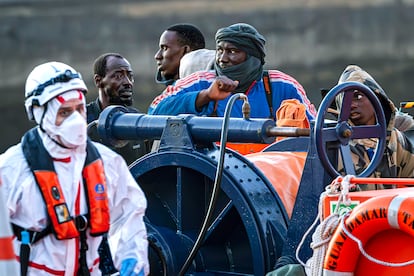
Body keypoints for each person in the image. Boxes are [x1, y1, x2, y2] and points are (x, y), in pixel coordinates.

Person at [0, 61, 149, 275]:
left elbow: (128, 214)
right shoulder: (12, 169)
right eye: (64, 112)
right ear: (38, 113)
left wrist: (132, 258)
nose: (75, 120)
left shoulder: (107, 163)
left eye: (79, 110)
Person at [148, 22, 316, 123]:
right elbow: (154, 112)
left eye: (233, 51)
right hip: (213, 175)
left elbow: (315, 127)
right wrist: (205, 96)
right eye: (219, 50)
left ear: (252, 57)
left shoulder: (281, 85)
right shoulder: (201, 82)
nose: (223, 58)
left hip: (270, 173)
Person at [334, 64, 414, 190]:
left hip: (392, 208)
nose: (352, 105)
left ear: (376, 97)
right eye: (346, 100)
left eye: (358, 96)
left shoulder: (395, 139)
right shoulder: (336, 145)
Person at [87, 53, 151, 164]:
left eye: (130, 76)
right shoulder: (84, 120)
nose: (128, 82)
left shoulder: (138, 120)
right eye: (118, 76)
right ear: (98, 81)